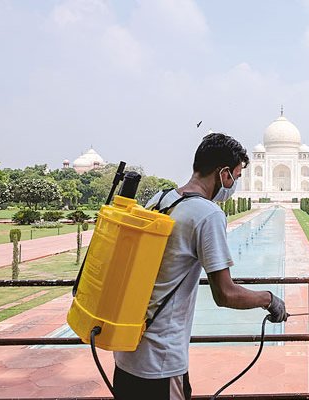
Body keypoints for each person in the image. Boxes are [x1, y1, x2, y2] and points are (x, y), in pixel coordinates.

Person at [113, 133, 288, 400]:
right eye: (236, 178)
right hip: (160, 361)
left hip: (126, 353)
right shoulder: (207, 214)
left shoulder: (161, 200)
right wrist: (269, 299)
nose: (234, 186)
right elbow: (225, 294)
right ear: (224, 174)